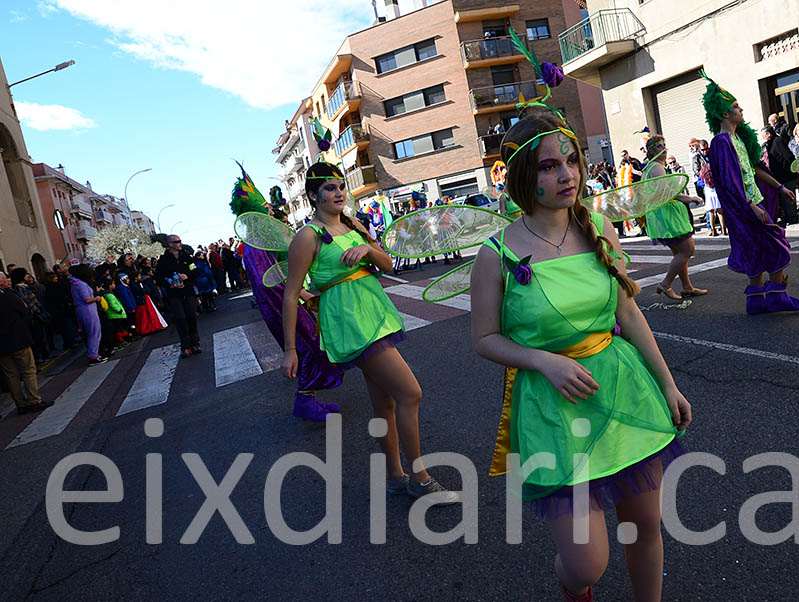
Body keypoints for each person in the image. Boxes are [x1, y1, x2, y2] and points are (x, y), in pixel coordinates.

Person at [470, 113, 691, 602]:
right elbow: (484, 338)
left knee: (646, 527)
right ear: (524, 174)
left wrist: (668, 385)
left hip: (622, 390)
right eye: (549, 166)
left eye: (571, 161)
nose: (567, 174)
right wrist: (543, 361)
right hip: (552, 406)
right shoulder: (497, 253)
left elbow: (629, 315)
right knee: (585, 563)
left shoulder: (601, 229)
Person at [282, 162, 458, 504]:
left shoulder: (353, 224)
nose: (338, 193)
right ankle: (419, 479)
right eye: (329, 188)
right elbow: (291, 293)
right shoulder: (308, 236)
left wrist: (367, 249)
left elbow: (389, 264)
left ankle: (395, 478)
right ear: (313, 195)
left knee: (386, 403)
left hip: (375, 313)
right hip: (350, 322)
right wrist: (290, 349)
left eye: (340, 186)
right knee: (411, 393)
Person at [231, 162, 343, 421]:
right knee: (308, 348)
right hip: (284, 307)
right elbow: (271, 282)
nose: (270, 208)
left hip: (288, 304)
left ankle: (310, 398)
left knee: (314, 346)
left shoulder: (260, 239)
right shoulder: (255, 244)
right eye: (265, 206)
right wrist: (302, 296)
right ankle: (305, 401)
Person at [703, 73, 799, 315]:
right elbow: (729, 182)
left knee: (754, 247)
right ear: (724, 114)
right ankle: (777, 295)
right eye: (735, 107)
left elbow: (754, 169)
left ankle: (757, 300)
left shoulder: (737, 138)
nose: (741, 110)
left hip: (749, 204)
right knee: (776, 243)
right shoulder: (721, 142)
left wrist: (780, 188)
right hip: (743, 207)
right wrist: (750, 205)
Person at [641, 136, 707, 300]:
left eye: (664, 145)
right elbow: (666, 193)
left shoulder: (651, 167)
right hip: (667, 215)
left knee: (679, 252)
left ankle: (687, 287)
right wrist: (689, 198)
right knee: (687, 250)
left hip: (661, 215)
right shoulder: (656, 167)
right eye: (658, 146)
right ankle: (666, 284)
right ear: (651, 151)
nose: (663, 149)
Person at [0, 271, 54, 414]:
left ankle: (21, 404)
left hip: (2, 346)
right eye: (5, 278)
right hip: (18, 339)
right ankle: (34, 400)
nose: (8, 280)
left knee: (11, 375)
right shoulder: (9, 296)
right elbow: (25, 311)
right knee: (28, 370)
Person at [155, 234, 201, 358]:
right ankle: (185, 346)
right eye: (177, 241)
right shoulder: (163, 260)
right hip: (174, 295)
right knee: (180, 319)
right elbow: (158, 277)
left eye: (180, 241)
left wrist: (187, 276)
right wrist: (169, 283)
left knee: (191, 317)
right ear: (170, 244)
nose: (180, 243)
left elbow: (195, 270)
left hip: (188, 292)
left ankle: (195, 343)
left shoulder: (186, 256)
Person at [69, 264, 108, 365]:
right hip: (88, 310)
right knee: (94, 333)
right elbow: (87, 299)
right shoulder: (81, 284)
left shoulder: (75, 283)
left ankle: (94, 354)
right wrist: (97, 298)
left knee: (92, 333)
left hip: (84, 310)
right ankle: (93, 356)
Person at [761, 125, 799, 226]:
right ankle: (786, 217)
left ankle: (792, 218)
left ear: (768, 134)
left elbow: (788, 156)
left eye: (763, 135)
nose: (762, 138)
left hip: (786, 175)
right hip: (779, 177)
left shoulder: (777, 141)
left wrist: (792, 169)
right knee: (783, 199)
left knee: (788, 198)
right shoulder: (769, 143)